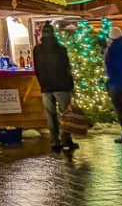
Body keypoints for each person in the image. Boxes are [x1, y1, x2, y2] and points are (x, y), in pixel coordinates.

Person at [32, 22, 78, 153]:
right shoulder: (60, 49)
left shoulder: (37, 50)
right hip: (62, 86)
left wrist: (41, 82)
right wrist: (71, 85)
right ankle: (66, 139)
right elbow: (66, 67)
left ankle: (54, 141)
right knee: (65, 114)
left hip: (46, 87)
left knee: (50, 115)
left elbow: (37, 68)